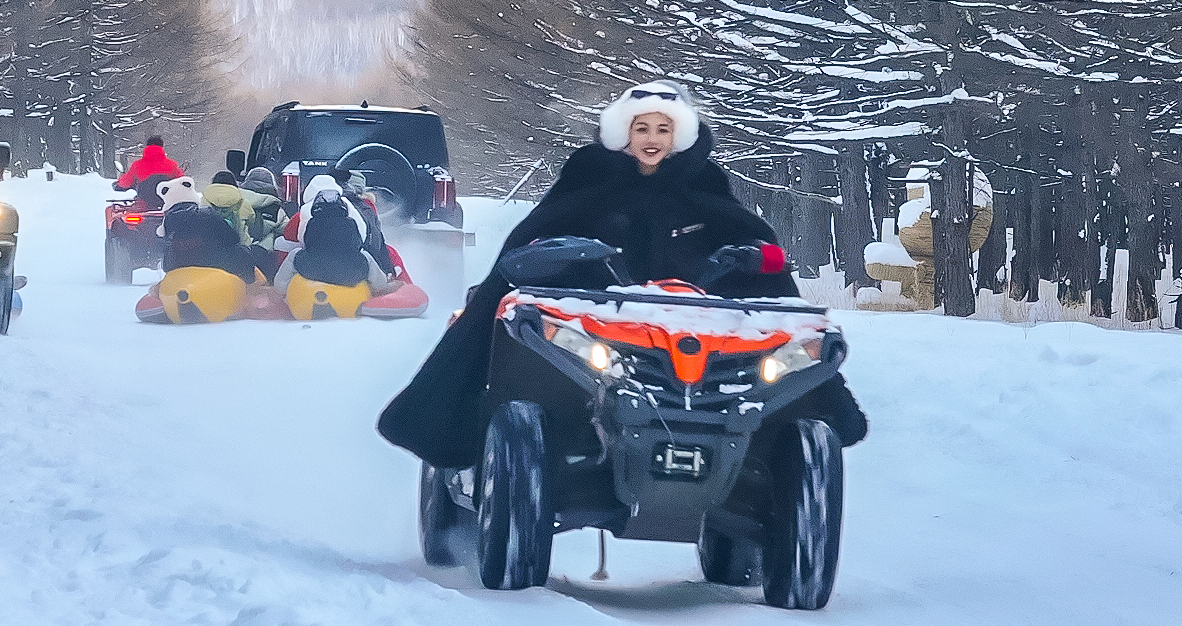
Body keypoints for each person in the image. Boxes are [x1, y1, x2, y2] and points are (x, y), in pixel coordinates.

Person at [377, 80, 868, 469]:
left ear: (680, 136)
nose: (651, 140)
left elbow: (746, 241)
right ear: (624, 134)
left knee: (790, 335)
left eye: (662, 129)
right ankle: (465, 429)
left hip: (695, 328)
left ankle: (791, 430)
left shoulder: (706, 185)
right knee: (503, 327)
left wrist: (749, 259)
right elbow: (539, 233)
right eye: (642, 129)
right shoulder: (589, 177)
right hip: (593, 325)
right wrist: (557, 254)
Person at [276, 188, 391, 292]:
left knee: (293, 254)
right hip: (349, 272)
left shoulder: (313, 223)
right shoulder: (350, 223)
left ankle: (280, 289)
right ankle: (380, 286)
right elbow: (357, 245)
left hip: (314, 270)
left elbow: (307, 244)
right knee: (366, 256)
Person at [115, 136, 184, 205]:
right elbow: (182, 182)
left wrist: (118, 185)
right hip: (167, 203)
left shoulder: (137, 165)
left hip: (144, 203)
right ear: (162, 147)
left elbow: (126, 182)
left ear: (147, 146)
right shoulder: (172, 165)